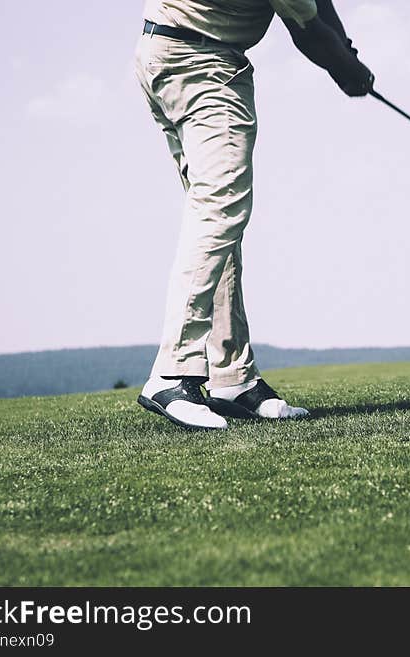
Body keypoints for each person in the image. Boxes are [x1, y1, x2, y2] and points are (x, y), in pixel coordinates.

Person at [134, 0, 373, 429]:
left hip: (165, 53)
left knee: (218, 220)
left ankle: (233, 378)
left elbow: (318, 7)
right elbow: (309, 28)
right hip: (203, 63)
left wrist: (347, 53)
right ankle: (173, 371)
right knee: (219, 209)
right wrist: (348, 68)